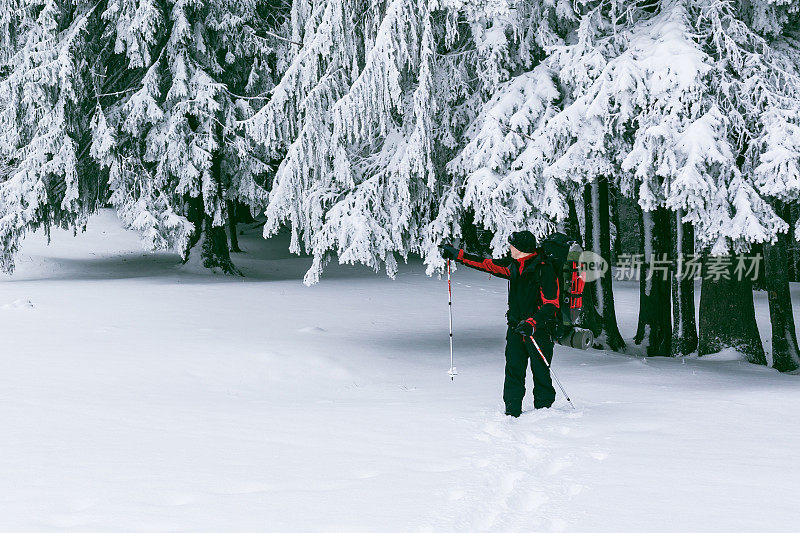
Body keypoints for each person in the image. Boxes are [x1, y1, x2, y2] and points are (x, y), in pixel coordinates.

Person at [439, 231, 559, 417]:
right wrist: (458, 256)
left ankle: (544, 415)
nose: (510, 248)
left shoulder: (545, 269)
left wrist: (532, 323)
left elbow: (551, 304)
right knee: (513, 371)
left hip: (538, 332)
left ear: (522, 249)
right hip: (515, 329)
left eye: (513, 246)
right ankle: (512, 411)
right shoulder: (513, 265)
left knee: (541, 374)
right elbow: (485, 264)